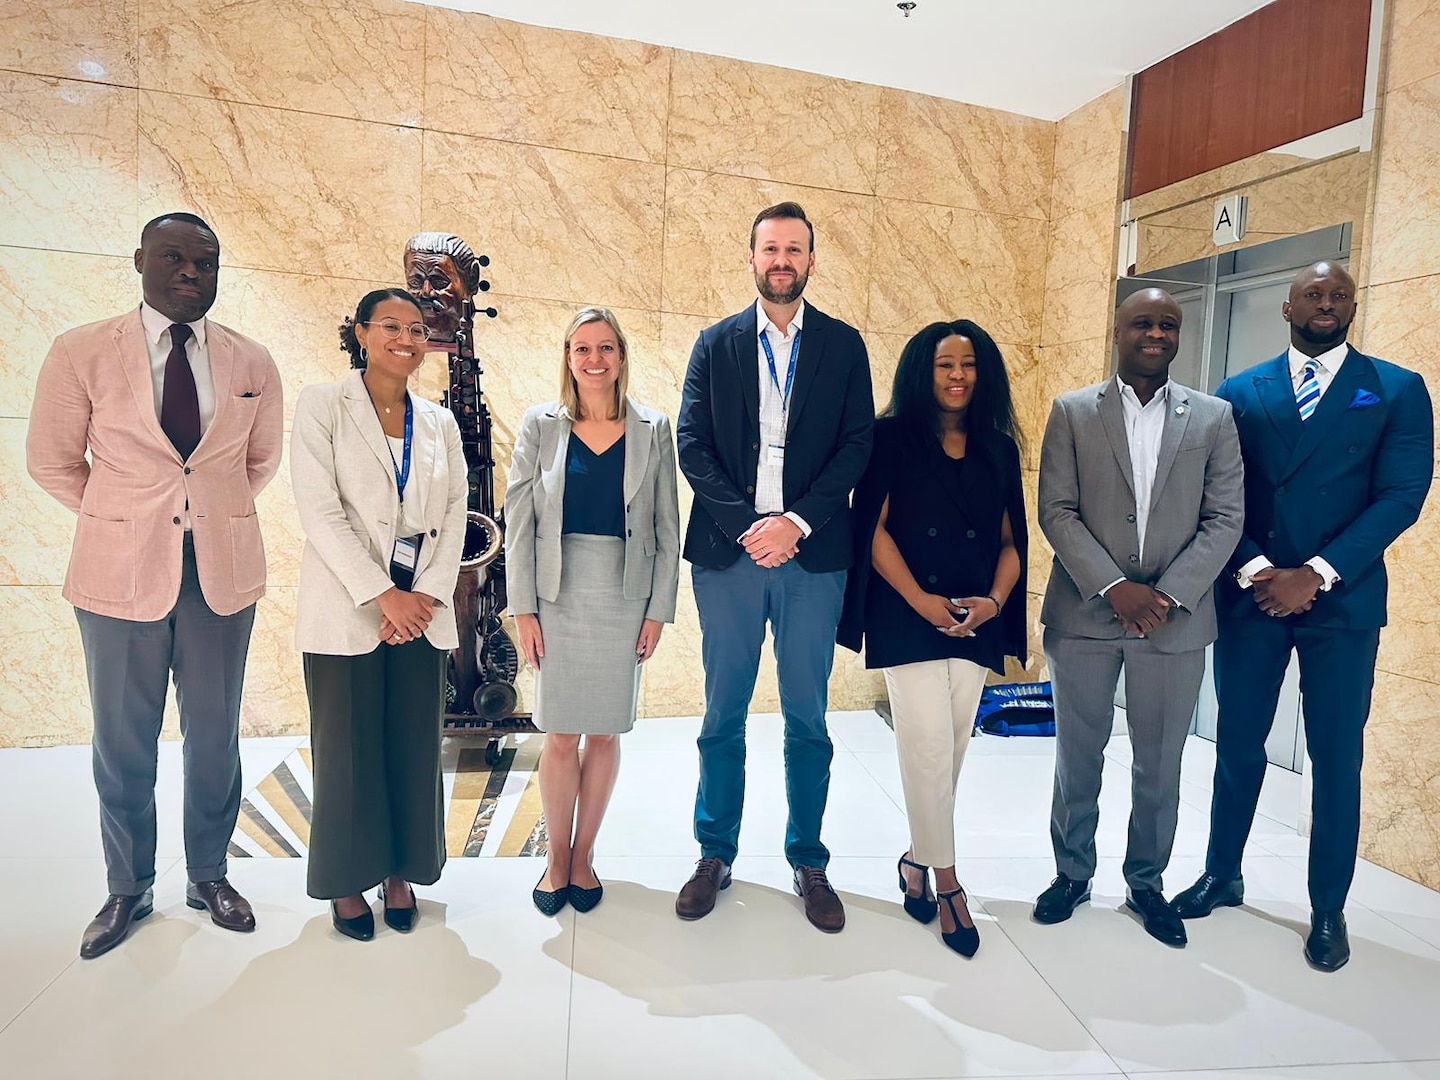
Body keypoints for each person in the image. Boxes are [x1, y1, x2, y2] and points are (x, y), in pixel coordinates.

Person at [27, 212, 283, 959]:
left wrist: (203, 518)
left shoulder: (251, 361)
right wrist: (123, 519)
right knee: (122, 743)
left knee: (215, 737)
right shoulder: (80, 352)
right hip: (116, 580)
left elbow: (256, 464)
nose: (190, 273)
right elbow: (51, 460)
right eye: (174, 258)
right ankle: (128, 887)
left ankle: (208, 874)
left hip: (220, 582)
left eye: (206, 262)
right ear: (139, 259)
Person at [1173, 261, 1433, 971]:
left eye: (1339, 295)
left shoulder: (1397, 390)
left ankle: (1328, 908)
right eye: (1314, 295)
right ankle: (1222, 874)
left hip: (1340, 602)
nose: (1327, 304)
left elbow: (1402, 496)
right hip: (1254, 595)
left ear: (1353, 306)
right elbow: (1218, 493)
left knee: (1337, 757)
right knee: (1239, 744)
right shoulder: (1238, 391)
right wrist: (1260, 569)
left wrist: (1314, 574)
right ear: (1287, 308)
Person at [675, 201, 874, 933]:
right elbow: (691, 443)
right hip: (729, 556)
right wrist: (749, 526)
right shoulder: (715, 343)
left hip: (811, 556)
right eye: (770, 249)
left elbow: (857, 445)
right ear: (751, 258)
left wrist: (794, 522)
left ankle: (808, 858)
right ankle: (715, 852)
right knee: (721, 713)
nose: (781, 260)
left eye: (795, 249)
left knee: (807, 716)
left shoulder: (845, 347)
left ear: (812, 261)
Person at [1034, 287, 1244, 948]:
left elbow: (1226, 518)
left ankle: (1146, 883)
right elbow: (1056, 510)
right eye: (1142, 322)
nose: (1155, 333)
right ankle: (1072, 874)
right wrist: (1115, 585)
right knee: (1079, 755)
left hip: (1175, 625)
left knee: (1161, 761)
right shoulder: (1072, 412)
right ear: (1118, 330)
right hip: (1085, 616)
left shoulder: (1212, 418)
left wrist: (1169, 593)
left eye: (1168, 325)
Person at [837, 320, 1028, 957]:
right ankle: (947, 883)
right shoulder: (890, 438)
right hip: (905, 611)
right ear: (923, 371)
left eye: (969, 364)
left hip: (975, 613)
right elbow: (874, 528)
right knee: (924, 748)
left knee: (951, 749)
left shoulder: (999, 449)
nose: (957, 376)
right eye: (945, 364)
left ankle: (915, 861)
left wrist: (994, 603)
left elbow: (1011, 542)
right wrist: (920, 600)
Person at [290, 288, 467, 942]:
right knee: (347, 750)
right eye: (390, 325)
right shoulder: (321, 406)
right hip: (347, 607)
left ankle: (401, 871)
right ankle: (345, 878)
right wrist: (380, 594)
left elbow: (453, 517)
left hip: (422, 610)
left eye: (417, 329)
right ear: (361, 332)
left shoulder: (439, 422)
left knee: (413, 747)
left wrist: (423, 597)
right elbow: (320, 511)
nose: (406, 339)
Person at [504, 307, 681, 916]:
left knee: (604, 731)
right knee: (559, 733)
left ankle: (584, 856)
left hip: (625, 593)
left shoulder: (653, 428)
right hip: (556, 592)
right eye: (582, 349)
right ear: (568, 357)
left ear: (621, 356)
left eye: (606, 348)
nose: (594, 360)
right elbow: (519, 520)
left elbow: (666, 524)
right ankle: (556, 859)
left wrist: (658, 609)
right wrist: (522, 609)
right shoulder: (540, 426)